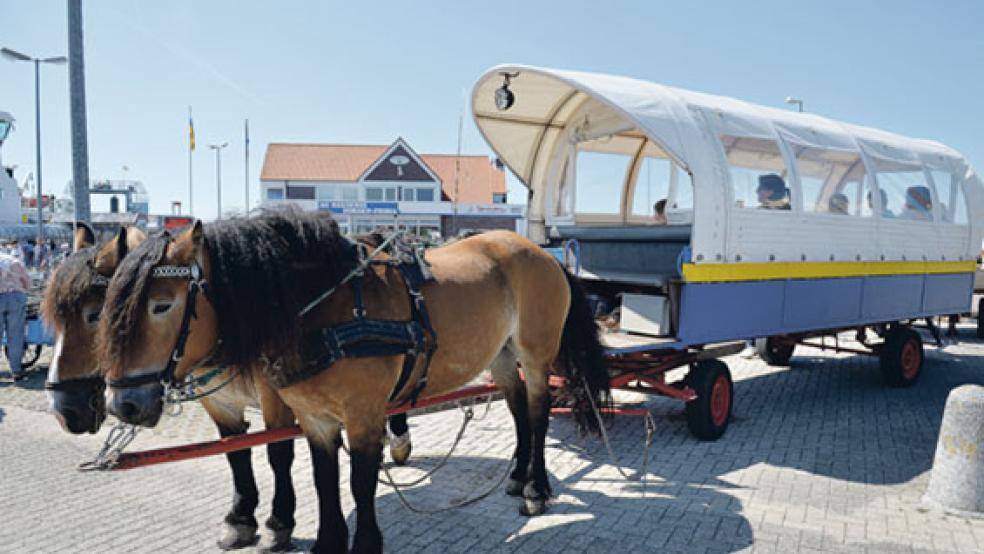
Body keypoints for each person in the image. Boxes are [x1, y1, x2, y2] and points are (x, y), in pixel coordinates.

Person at [0, 244, 31, 381]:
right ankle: (16, 370)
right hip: (16, 298)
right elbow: (27, 283)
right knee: (15, 335)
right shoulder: (15, 262)